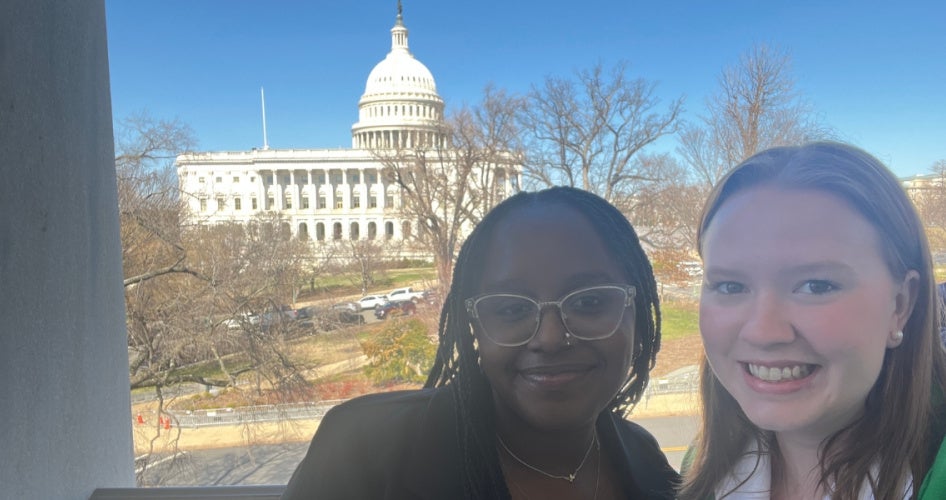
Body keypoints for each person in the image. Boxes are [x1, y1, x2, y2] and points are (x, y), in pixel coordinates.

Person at [282, 186, 680, 499]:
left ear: (638, 311)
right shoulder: (363, 453)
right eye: (510, 309)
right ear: (472, 323)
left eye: (590, 302)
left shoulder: (649, 467)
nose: (551, 338)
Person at [680, 142, 946, 499]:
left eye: (816, 285)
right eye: (730, 285)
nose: (763, 332)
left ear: (900, 305)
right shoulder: (702, 465)